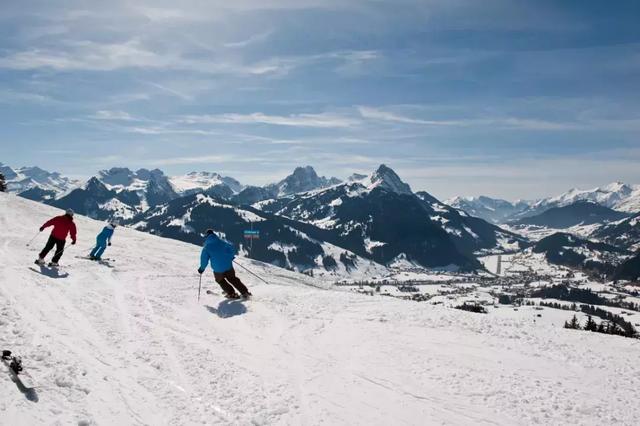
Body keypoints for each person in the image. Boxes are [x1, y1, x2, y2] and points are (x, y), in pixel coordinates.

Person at [198, 229, 251, 299]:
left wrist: (201, 269)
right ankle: (245, 292)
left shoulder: (207, 247)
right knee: (233, 279)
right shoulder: (222, 242)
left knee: (220, 280)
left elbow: (204, 260)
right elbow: (231, 247)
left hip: (218, 269)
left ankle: (231, 293)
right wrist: (231, 257)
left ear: (207, 236)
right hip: (228, 266)